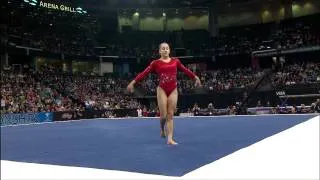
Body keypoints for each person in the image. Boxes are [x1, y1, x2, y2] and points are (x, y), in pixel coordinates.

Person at [127, 42, 201, 145]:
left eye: (167, 48)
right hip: (161, 89)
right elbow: (144, 73)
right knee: (163, 116)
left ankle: (170, 139)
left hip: (173, 89)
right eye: (163, 48)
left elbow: (185, 70)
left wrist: (195, 77)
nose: (165, 50)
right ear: (159, 51)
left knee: (170, 115)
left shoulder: (176, 61)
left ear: (169, 50)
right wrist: (133, 82)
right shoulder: (155, 63)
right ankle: (162, 129)